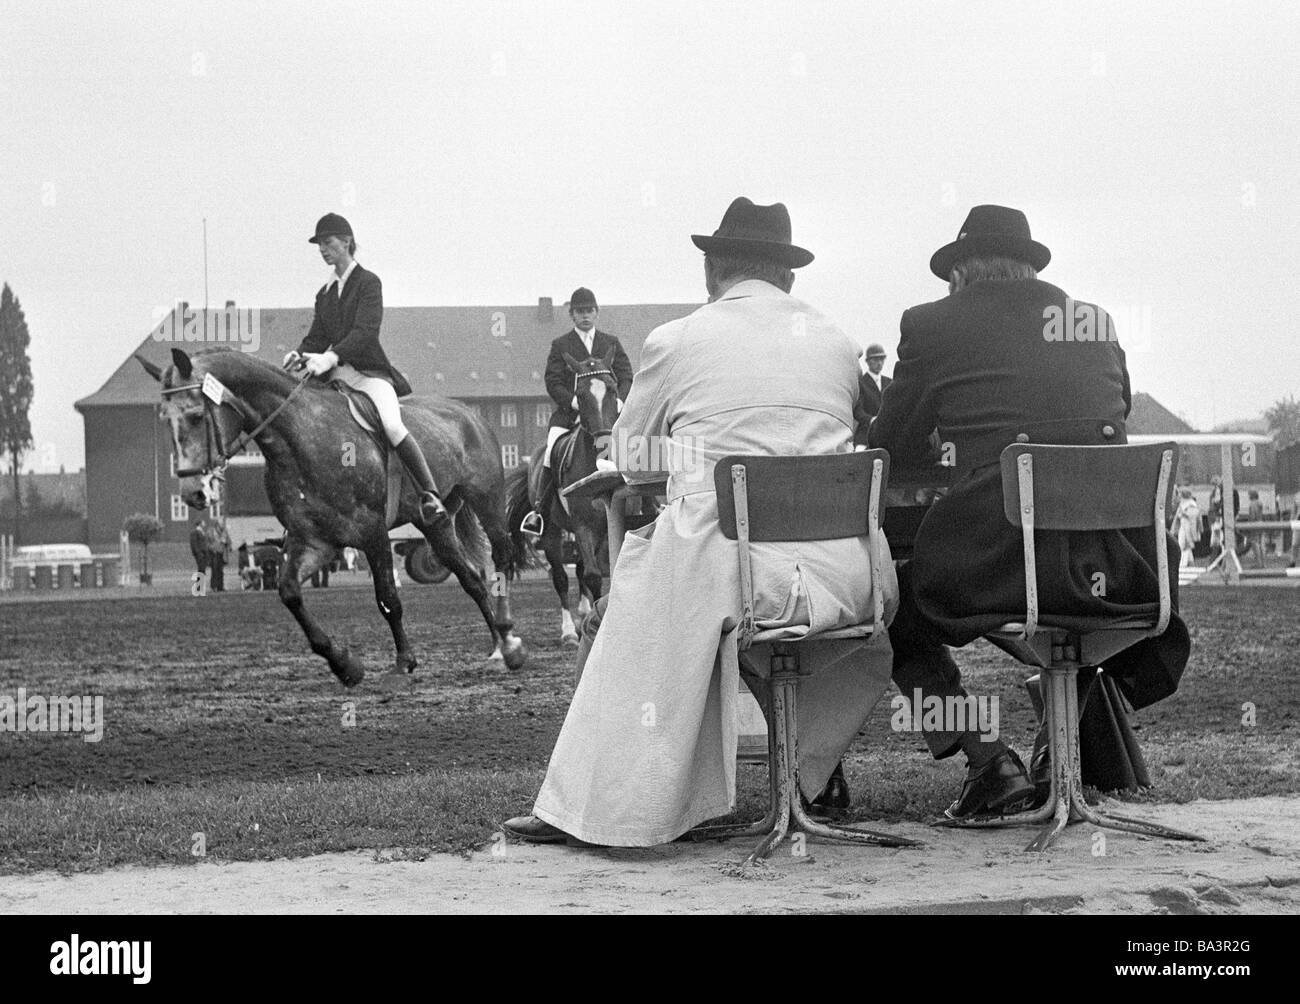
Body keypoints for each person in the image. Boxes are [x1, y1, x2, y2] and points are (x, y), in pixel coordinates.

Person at [503, 197, 898, 846]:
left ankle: (597, 806)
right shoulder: (837, 342)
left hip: (736, 569)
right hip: (848, 578)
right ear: (789, 279)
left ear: (713, 271)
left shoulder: (678, 339)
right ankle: (811, 776)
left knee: (632, 598)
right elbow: (799, 441)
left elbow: (629, 452)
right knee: (718, 585)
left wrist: (655, 470)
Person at [868, 204, 1190, 818]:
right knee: (1073, 622)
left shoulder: (931, 324)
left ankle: (990, 761)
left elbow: (891, 447)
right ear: (1028, 265)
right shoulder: (1092, 321)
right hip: (1123, 565)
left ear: (959, 272)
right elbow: (1108, 419)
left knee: (892, 605)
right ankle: (1061, 751)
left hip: (1003, 556)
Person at [284, 213, 447, 527]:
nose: (322, 249)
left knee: (392, 425)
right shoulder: (325, 293)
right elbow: (317, 335)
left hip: (368, 375)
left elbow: (365, 332)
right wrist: (300, 354)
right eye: (319, 244)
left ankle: (429, 495)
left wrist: (330, 357)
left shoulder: (368, 282)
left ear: (346, 242)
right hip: (334, 379)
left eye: (327, 242)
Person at [520, 287, 633, 537]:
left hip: (607, 414)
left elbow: (626, 376)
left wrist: (619, 402)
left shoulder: (610, 343)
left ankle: (649, 502)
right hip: (570, 414)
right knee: (550, 452)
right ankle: (539, 510)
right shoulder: (561, 345)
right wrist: (574, 402)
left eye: (589, 311)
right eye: (579, 311)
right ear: (572, 315)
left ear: (596, 312)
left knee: (634, 446)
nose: (585, 315)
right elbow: (553, 381)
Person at [1174, 487, 1201, 568]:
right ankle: (1190, 563)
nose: (1178, 495)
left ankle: (1182, 564)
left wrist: (1183, 513)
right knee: (1185, 545)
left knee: (1183, 544)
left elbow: (1192, 515)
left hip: (1188, 526)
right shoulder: (1182, 503)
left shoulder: (1191, 503)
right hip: (1183, 525)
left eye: (1179, 494)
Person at [206, 519, 231, 592]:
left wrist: (226, 542)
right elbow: (207, 543)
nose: (223, 525)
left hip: (222, 554)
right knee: (214, 570)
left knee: (221, 571)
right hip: (214, 553)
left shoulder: (224, 532)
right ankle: (214, 586)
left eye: (223, 524)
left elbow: (229, 542)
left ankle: (220, 586)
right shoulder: (211, 531)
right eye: (221, 524)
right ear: (217, 524)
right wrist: (212, 548)